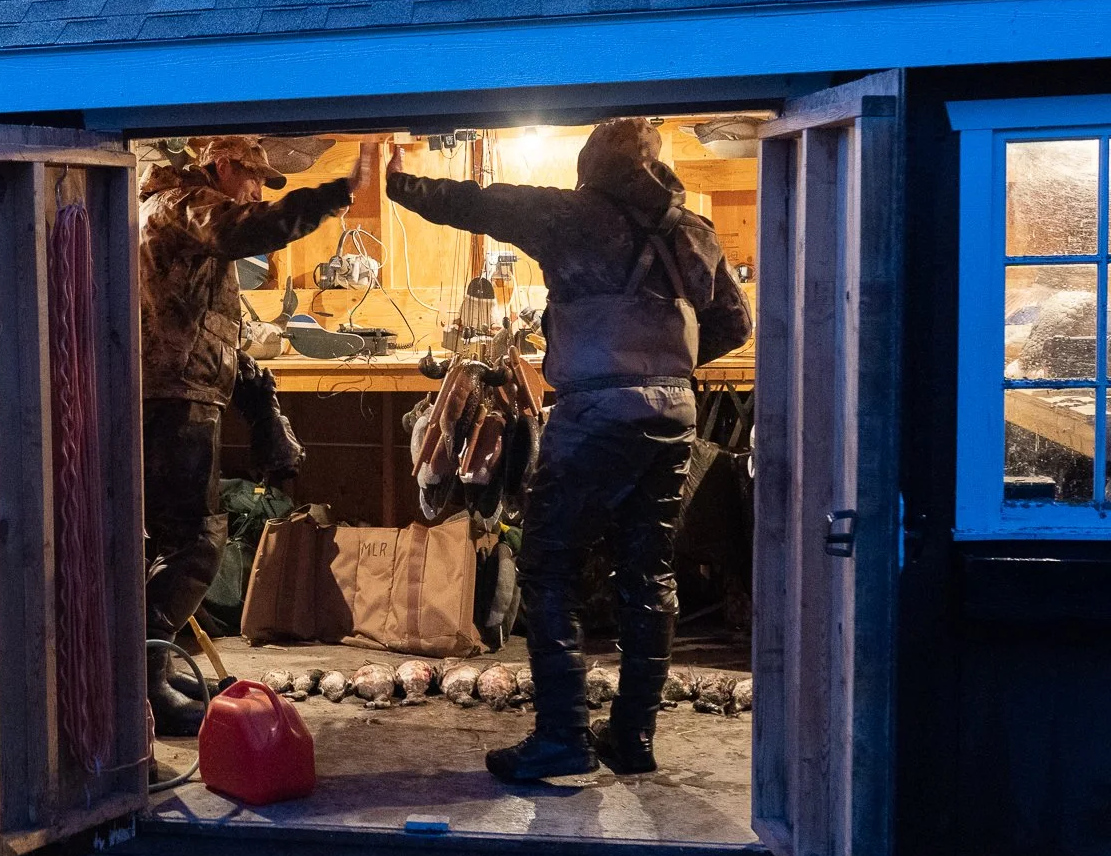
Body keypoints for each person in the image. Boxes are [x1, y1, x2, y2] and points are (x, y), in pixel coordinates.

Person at [385, 120, 753, 779]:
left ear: (590, 164)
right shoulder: (690, 227)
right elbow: (734, 323)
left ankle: (563, 736)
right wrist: (664, 368)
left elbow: (474, 202)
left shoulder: (569, 215)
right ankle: (632, 737)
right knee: (650, 574)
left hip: (595, 414)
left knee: (549, 568)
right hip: (673, 417)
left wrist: (396, 180)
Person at [140, 137, 352, 733]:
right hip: (171, 399)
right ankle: (145, 686)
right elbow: (252, 229)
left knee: (168, 544)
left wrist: (266, 411)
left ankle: (150, 667)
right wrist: (339, 193)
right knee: (196, 545)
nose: (256, 192)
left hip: (183, 394)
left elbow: (218, 331)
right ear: (223, 166)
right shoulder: (180, 204)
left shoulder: (185, 218)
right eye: (252, 179)